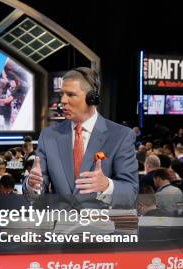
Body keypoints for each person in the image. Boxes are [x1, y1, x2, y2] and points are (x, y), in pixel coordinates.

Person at [24, 67, 138, 207]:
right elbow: (37, 191)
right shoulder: (48, 136)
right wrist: (32, 185)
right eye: (62, 94)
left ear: (92, 98)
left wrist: (106, 186)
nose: (63, 101)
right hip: (61, 225)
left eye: (70, 95)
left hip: (101, 226)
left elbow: (131, 192)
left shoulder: (121, 136)